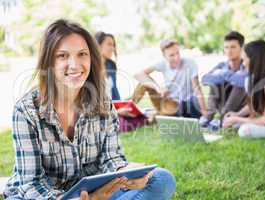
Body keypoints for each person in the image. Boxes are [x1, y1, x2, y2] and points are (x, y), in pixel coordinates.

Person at [3, 19, 176, 200]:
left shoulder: (102, 103)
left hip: (95, 191)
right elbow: (31, 183)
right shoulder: (26, 111)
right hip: (45, 196)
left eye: (82, 54)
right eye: (62, 56)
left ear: (91, 58)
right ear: (49, 62)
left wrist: (127, 174)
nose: (75, 64)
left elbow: (111, 157)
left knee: (161, 179)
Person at [133, 39, 207, 118]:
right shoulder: (163, 63)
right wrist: (158, 88)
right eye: (172, 55)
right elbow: (138, 74)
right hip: (165, 99)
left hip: (179, 105)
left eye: (178, 53)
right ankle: (129, 108)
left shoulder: (190, 63)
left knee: (159, 117)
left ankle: (155, 116)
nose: (177, 57)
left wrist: (204, 112)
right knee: (143, 84)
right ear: (164, 56)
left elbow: (197, 90)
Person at [94, 31, 148, 132]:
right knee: (125, 123)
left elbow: (114, 91)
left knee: (140, 116)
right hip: (99, 111)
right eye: (109, 44)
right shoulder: (89, 67)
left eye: (113, 45)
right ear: (98, 45)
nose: (113, 48)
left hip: (112, 106)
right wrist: (117, 112)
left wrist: (122, 106)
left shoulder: (111, 65)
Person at [200, 31, 248, 130]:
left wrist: (224, 74)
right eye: (226, 47)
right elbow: (204, 80)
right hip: (222, 105)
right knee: (213, 83)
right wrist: (224, 75)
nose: (229, 51)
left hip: (241, 108)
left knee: (239, 84)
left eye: (233, 47)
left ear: (242, 48)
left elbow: (244, 82)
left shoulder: (247, 65)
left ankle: (222, 119)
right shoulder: (222, 65)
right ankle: (209, 117)